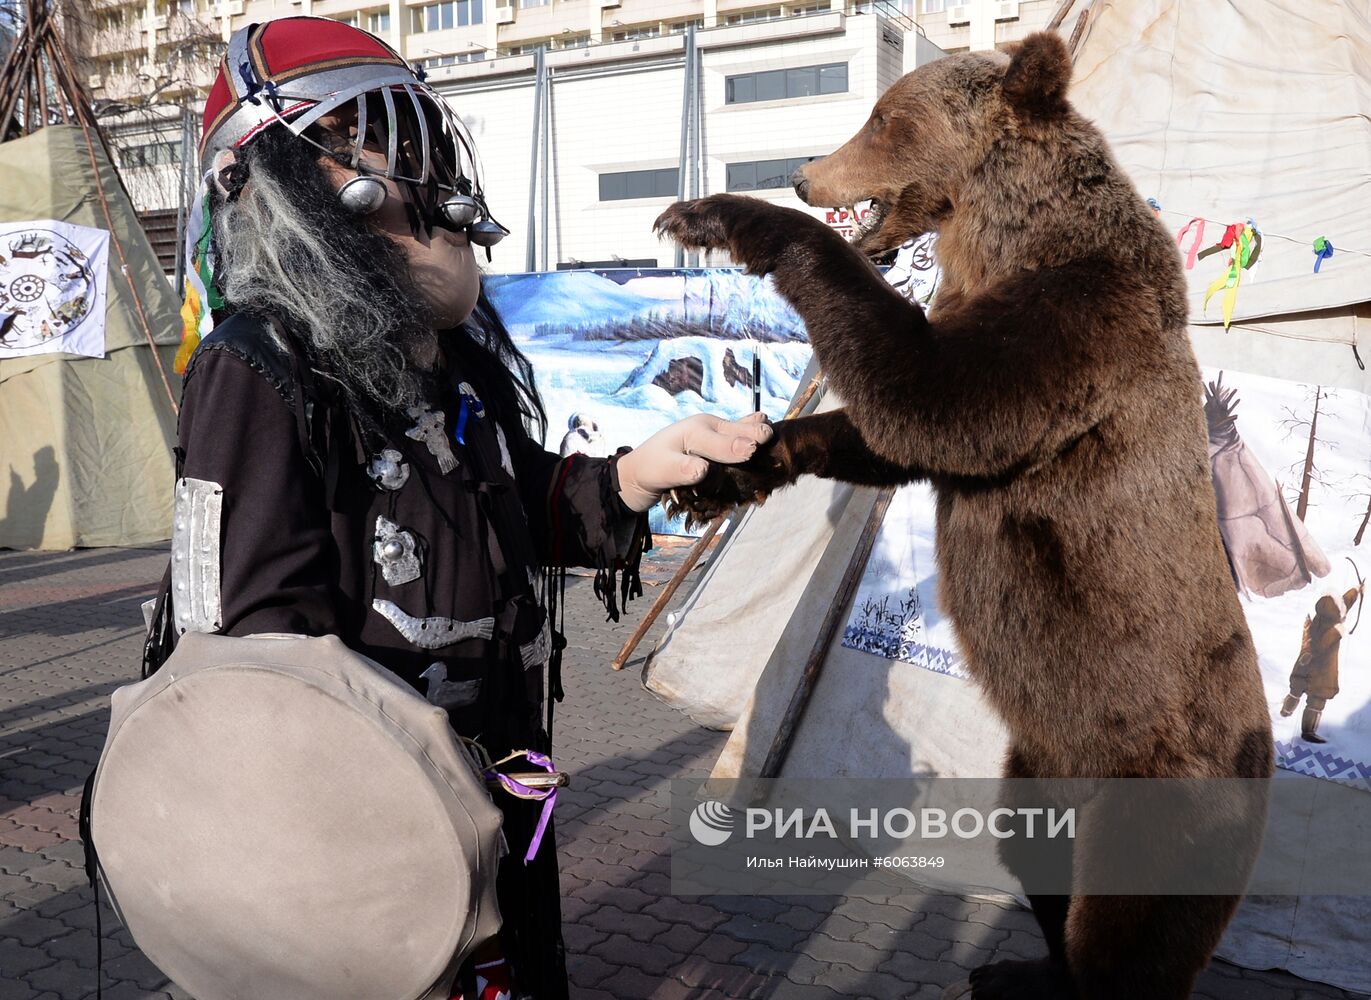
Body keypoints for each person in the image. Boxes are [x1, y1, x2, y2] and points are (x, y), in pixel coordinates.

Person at [161, 17, 770, 998]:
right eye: (373, 148)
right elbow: (246, 657)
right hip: (366, 839)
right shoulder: (259, 362)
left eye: (408, 145)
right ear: (290, 180)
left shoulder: (437, 364)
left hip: (496, 786)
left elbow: (517, 498)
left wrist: (638, 474)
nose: (414, 174)